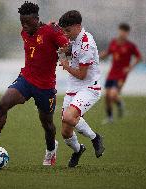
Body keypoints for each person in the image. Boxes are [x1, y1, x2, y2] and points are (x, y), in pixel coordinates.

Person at [0, 1, 69, 166]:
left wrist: (61, 42)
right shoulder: (25, 33)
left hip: (45, 87)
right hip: (26, 80)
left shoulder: (51, 32)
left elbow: (66, 46)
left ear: (36, 19)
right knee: (2, 105)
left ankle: (51, 150)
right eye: (21, 22)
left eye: (27, 22)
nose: (24, 26)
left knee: (47, 124)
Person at [58, 10, 105, 168]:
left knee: (69, 117)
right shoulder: (76, 38)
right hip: (73, 88)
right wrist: (67, 51)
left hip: (89, 87)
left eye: (68, 30)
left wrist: (66, 65)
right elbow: (74, 52)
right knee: (65, 131)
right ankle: (78, 150)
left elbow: (82, 75)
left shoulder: (86, 44)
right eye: (64, 30)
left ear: (78, 26)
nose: (66, 34)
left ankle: (95, 138)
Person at [100, 23, 142, 123]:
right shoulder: (113, 42)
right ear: (119, 31)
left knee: (113, 95)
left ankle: (119, 103)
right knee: (107, 96)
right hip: (112, 72)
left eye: (125, 32)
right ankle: (110, 118)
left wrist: (130, 67)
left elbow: (139, 57)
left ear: (127, 33)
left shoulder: (130, 46)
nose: (123, 33)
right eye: (121, 31)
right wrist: (98, 56)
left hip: (122, 74)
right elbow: (108, 52)